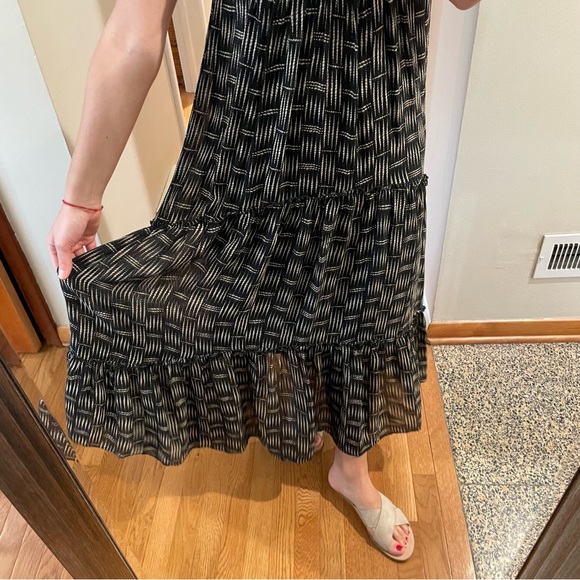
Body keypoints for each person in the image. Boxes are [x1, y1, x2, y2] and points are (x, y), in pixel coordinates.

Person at [47, 0, 480, 563]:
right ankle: (302, 414)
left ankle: (350, 470)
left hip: (374, 134)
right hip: (255, 142)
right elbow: (134, 31)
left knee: (368, 309)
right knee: (255, 303)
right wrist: (80, 199)